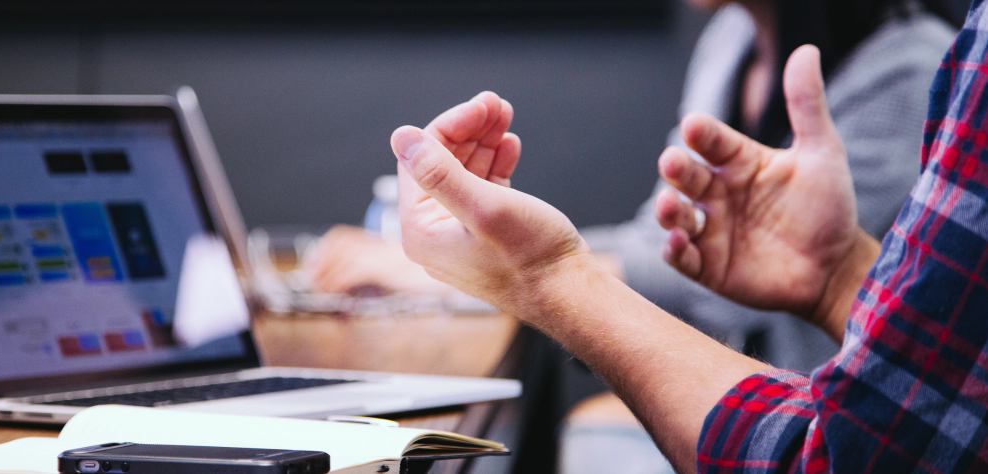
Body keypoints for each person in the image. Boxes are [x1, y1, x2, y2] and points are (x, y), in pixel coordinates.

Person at [383, 0, 988, 467]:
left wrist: (538, 273)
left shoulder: (912, 69)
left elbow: (856, 453)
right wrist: (837, 277)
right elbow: (667, 240)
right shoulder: (731, 40)